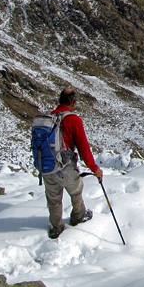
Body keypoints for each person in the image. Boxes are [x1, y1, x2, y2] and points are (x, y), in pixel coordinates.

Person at [45, 88, 103, 239]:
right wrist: (94, 168)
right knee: (76, 190)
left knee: (53, 198)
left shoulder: (48, 117)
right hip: (65, 166)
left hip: (47, 165)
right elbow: (83, 147)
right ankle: (78, 216)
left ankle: (56, 227)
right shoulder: (73, 120)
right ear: (74, 103)